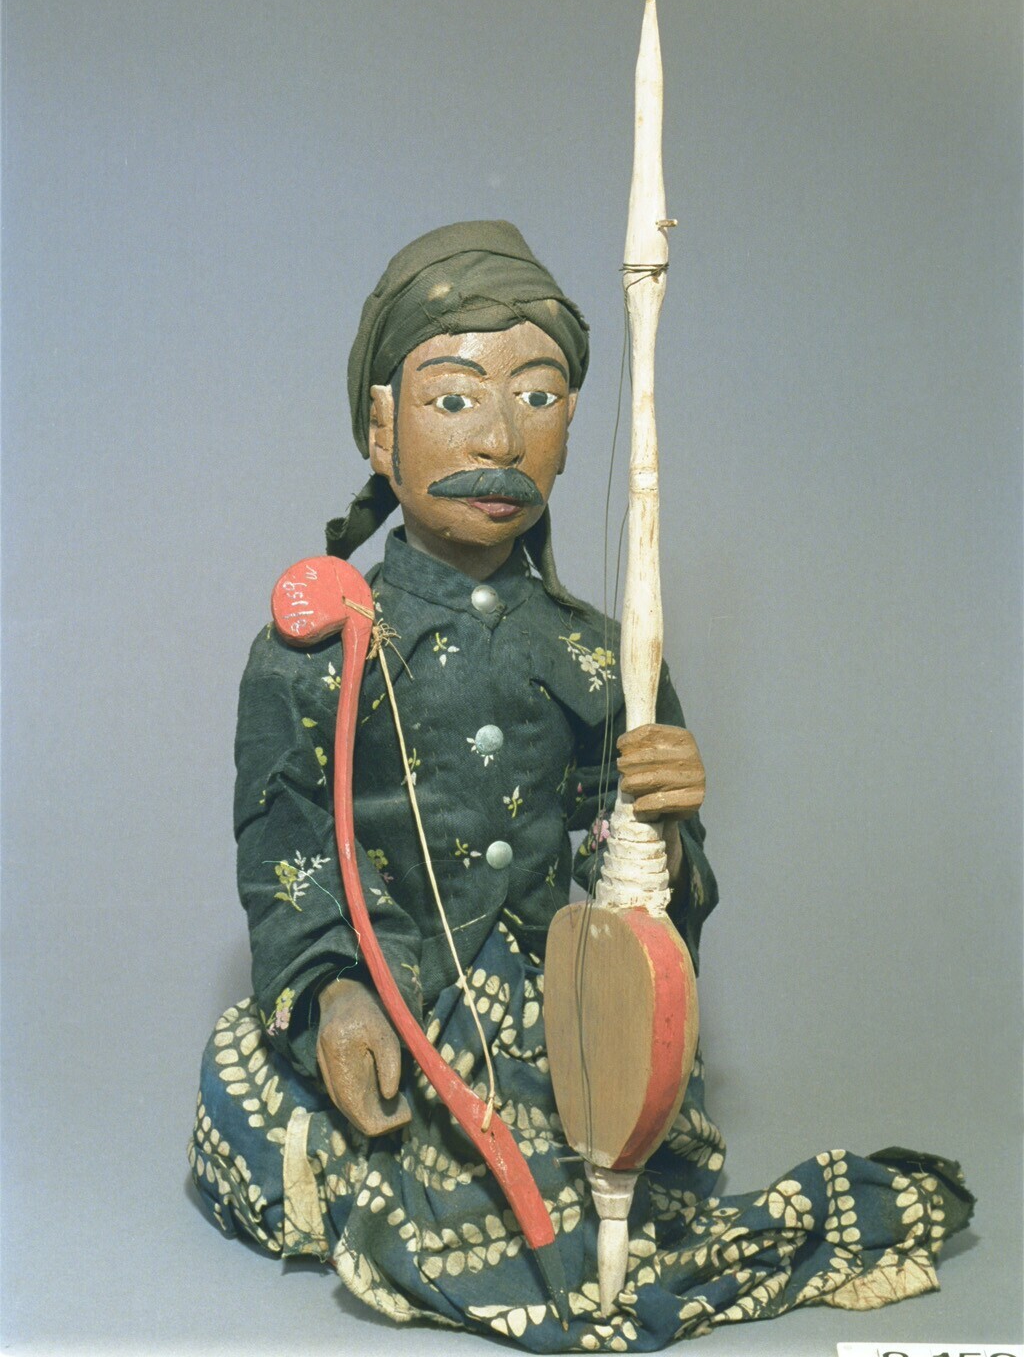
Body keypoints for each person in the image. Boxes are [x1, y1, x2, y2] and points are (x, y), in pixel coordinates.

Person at [190, 221, 972, 1350]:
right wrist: (327, 994)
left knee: (597, 1176)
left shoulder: (606, 656)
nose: (500, 437)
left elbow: (641, 897)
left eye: (540, 397)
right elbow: (288, 851)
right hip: (392, 1000)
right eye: (453, 398)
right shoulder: (313, 650)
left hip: (548, 1013)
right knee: (278, 1119)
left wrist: (665, 823)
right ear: (380, 428)